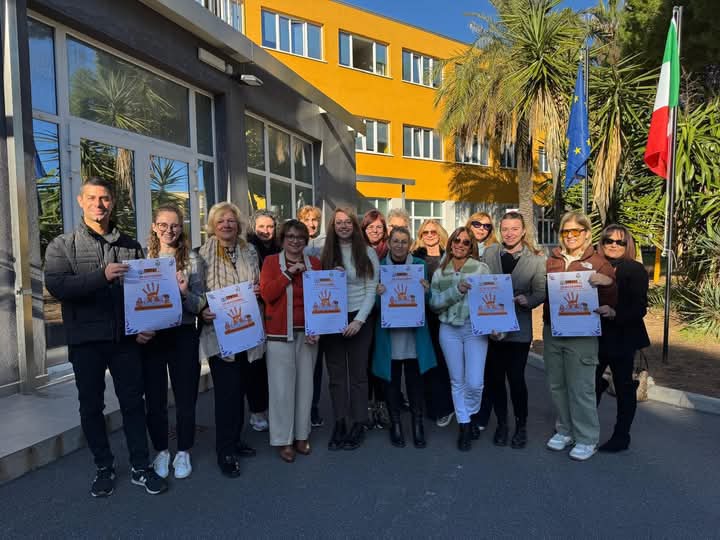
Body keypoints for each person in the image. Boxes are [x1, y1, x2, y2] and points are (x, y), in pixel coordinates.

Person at [44, 177, 167, 497]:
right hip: (86, 342)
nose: (99, 204)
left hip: (124, 341)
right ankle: (104, 466)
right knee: (91, 407)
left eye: (105, 198)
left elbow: (142, 292)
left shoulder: (130, 245)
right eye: (92, 198)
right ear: (80, 201)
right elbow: (58, 286)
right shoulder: (62, 245)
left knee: (133, 404)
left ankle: (140, 466)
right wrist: (101, 276)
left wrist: (145, 324)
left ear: (112, 203)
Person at [543, 211, 617, 461]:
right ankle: (565, 430)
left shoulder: (599, 263)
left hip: (582, 333)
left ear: (586, 233)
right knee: (557, 384)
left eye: (576, 231)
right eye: (566, 231)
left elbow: (613, 300)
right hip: (553, 330)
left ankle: (586, 438)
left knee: (581, 387)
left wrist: (607, 283)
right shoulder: (552, 259)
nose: (570, 236)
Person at [198, 202, 262, 477]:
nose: (226, 224)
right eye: (221, 220)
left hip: (247, 329)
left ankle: (236, 439)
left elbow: (257, 281)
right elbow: (197, 291)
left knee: (242, 389)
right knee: (226, 393)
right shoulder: (202, 255)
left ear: (239, 225)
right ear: (213, 226)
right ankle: (224, 450)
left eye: (231, 220)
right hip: (220, 333)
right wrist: (202, 309)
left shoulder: (250, 251)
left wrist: (258, 290)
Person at [142, 204, 205, 480]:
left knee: (185, 396)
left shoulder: (193, 260)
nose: (169, 230)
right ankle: (161, 450)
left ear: (181, 227)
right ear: (154, 227)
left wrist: (184, 292)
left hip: (183, 333)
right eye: (163, 225)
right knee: (155, 397)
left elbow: (200, 304)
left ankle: (183, 451)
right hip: (152, 336)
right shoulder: (142, 257)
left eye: (175, 225)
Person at [482, 211, 546, 448]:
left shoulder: (536, 260)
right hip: (492, 327)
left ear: (523, 231)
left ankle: (521, 426)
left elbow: (541, 292)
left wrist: (528, 301)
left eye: (514, 229)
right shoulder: (489, 253)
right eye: (505, 229)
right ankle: (502, 424)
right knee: (495, 380)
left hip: (519, 329)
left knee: (517, 380)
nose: (509, 233)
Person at [260, 220, 321, 462]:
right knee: (281, 389)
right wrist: (289, 273)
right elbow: (267, 294)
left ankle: (301, 435)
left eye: (300, 237)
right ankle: (283, 439)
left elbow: (322, 298)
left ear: (306, 240)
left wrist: (318, 327)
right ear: (283, 239)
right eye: (290, 237)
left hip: (308, 334)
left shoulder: (315, 263)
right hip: (278, 334)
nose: (295, 241)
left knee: (305, 387)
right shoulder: (271, 262)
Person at [321, 208, 380, 451]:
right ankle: (340, 422)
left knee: (358, 375)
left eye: (348, 222)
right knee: (336, 376)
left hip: (359, 318)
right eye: (339, 222)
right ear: (333, 227)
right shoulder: (325, 252)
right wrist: (328, 274)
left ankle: (358, 422)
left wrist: (359, 320)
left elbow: (371, 289)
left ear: (355, 226)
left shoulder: (367, 252)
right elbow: (318, 286)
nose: (344, 226)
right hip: (331, 318)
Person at [373, 227, 436, 448]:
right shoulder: (380, 267)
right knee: (391, 382)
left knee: (414, 382)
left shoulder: (419, 266)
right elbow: (375, 306)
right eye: (396, 241)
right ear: (389, 243)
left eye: (404, 241)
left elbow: (428, 301)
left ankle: (418, 424)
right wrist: (378, 295)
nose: (399, 245)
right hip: (390, 335)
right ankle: (396, 424)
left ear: (409, 244)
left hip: (413, 334)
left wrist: (427, 291)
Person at [429, 226, 491, 451]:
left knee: (475, 381)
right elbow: (434, 304)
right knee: (457, 380)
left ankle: (470, 414)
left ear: (471, 245)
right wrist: (457, 290)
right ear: (450, 243)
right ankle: (464, 424)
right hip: (448, 329)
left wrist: (496, 326)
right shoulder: (440, 271)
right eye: (457, 240)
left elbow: (491, 297)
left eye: (465, 242)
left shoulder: (481, 269)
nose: (460, 245)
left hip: (474, 329)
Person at [595, 225, 650, 452]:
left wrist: (614, 312)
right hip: (596, 336)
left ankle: (621, 436)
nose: (613, 245)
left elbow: (640, 307)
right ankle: (585, 430)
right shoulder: (594, 266)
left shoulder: (634, 269)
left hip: (623, 337)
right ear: (601, 243)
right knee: (590, 384)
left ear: (628, 245)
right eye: (608, 240)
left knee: (624, 387)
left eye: (620, 242)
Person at [412, 220, 454, 428]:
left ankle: (445, 407)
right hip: (420, 316)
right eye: (425, 232)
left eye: (433, 232)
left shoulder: (450, 257)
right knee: (424, 363)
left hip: (444, 316)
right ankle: (427, 406)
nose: (429, 235)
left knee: (443, 362)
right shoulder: (414, 257)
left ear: (440, 234)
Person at [245, 209, 279, 432]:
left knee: (273, 365)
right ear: (253, 228)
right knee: (255, 365)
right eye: (261, 227)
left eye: (270, 226)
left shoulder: (281, 249)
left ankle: (272, 408)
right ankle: (257, 411)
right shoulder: (247, 249)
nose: (266, 231)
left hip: (276, 311)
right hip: (254, 310)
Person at [361, 209, 390, 429]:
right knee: (365, 361)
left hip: (387, 315)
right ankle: (367, 406)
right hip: (364, 314)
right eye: (370, 227)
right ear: (364, 229)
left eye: (379, 227)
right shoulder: (358, 252)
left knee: (381, 361)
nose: (375, 230)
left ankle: (381, 404)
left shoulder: (390, 252)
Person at [299, 205, 326, 427]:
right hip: (300, 310)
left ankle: (313, 406)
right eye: (306, 219)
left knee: (316, 365)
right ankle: (300, 407)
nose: (311, 223)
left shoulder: (327, 242)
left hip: (323, 309)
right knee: (302, 364)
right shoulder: (295, 243)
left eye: (314, 219)